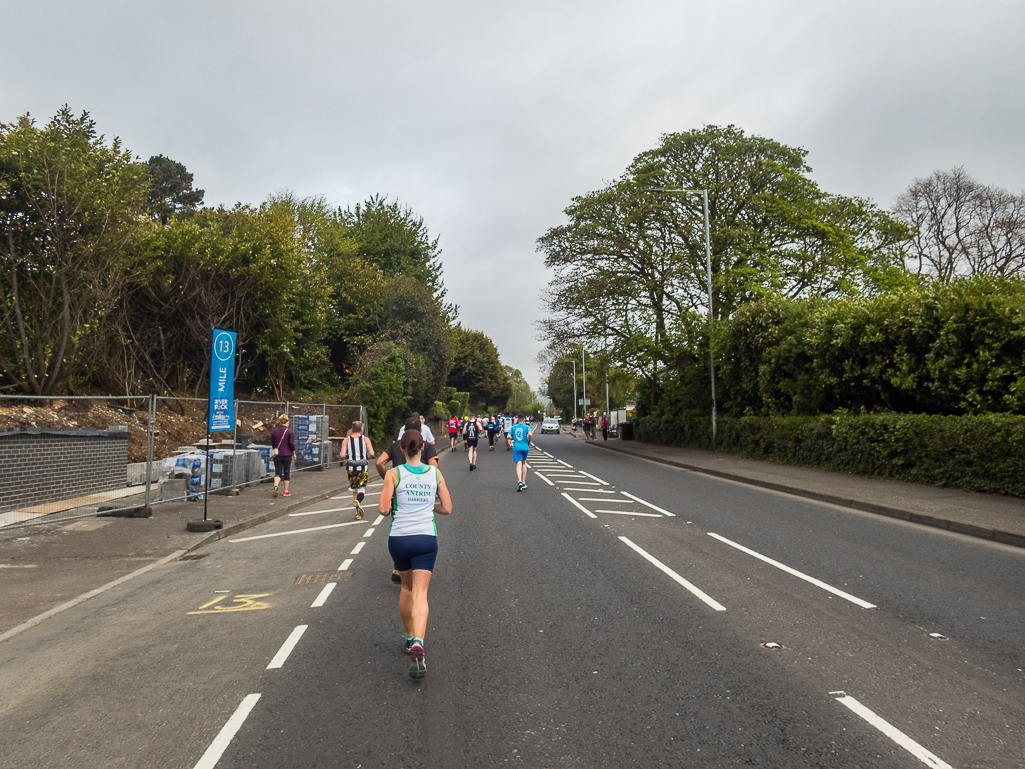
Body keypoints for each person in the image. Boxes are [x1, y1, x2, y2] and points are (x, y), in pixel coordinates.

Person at [378, 430, 452, 680]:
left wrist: (396, 504)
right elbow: (448, 508)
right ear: (423, 448)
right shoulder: (435, 473)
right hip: (425, 538)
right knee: (421, 593)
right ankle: (419, 642)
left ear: (401, 448)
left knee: (406, 590)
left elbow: (383, 509)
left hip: (399, 539)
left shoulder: (393, 473)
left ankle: (409, 638)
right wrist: (428, 504)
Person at [377, 417, 441, 583]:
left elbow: (379, 462)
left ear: (403, 430)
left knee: (398, 523)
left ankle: (399, 565)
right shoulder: (426, 447)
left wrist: (387, 479)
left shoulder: (395, 446)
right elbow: (434, 467)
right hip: (421, 492)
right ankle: (416, 562)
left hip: (398, 492)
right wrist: (432, 487)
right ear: (421, 431)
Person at [341, 421, 375, 519]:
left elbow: (342, 455)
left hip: (351, 468)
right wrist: (366, 458)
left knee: (355, 490)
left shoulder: (346, 440)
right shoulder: (365, 439)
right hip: (363, 467)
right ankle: (358, 502)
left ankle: (357, 513)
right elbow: (372, 453)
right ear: (361, 430)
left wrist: (347, 458)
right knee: (361, 489)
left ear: (351, 429)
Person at [270, 414, 296, 498]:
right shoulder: (289, 431)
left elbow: (273, 443)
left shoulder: (274, 431)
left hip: (277, 454)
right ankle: (286, 491)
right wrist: (294, 453)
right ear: (287, 422)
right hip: (287, 454)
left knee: (278, 473)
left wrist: (276, 449)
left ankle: (276, 486)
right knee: (286, 472)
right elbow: (291, 443)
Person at [510, 414, 533, 491]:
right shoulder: (527, 427)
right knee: (524, 463)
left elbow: (508, 436)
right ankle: (523, 482)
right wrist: (529, 441)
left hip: (516, 447)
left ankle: (519, 481)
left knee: (518, 464)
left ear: (517, 419)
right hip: (525, 447)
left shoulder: (513, 427)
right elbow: (530, 434)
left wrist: (513, 437)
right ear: (524, 419)